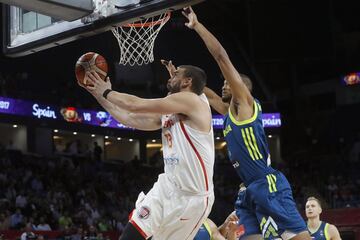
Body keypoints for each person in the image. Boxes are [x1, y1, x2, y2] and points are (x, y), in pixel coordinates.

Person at [181, 6, 312, 240]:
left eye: (228, 83)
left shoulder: (245, 104)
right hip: (248, 187)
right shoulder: (229, 112)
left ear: (242, 89)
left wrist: (198, 26)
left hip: (267, 183)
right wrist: (181, 80)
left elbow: (221, 56)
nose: (223, 85)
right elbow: (207, 95)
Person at [81, 63, 215, 240]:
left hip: (192, 198)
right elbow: (129, 118)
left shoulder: (193, 101)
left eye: (175, 75)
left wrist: (107, 91)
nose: (170, 77)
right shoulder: (170, 110)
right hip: (167, 187)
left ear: (187, 81)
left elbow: (135, 105)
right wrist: (99, 95)